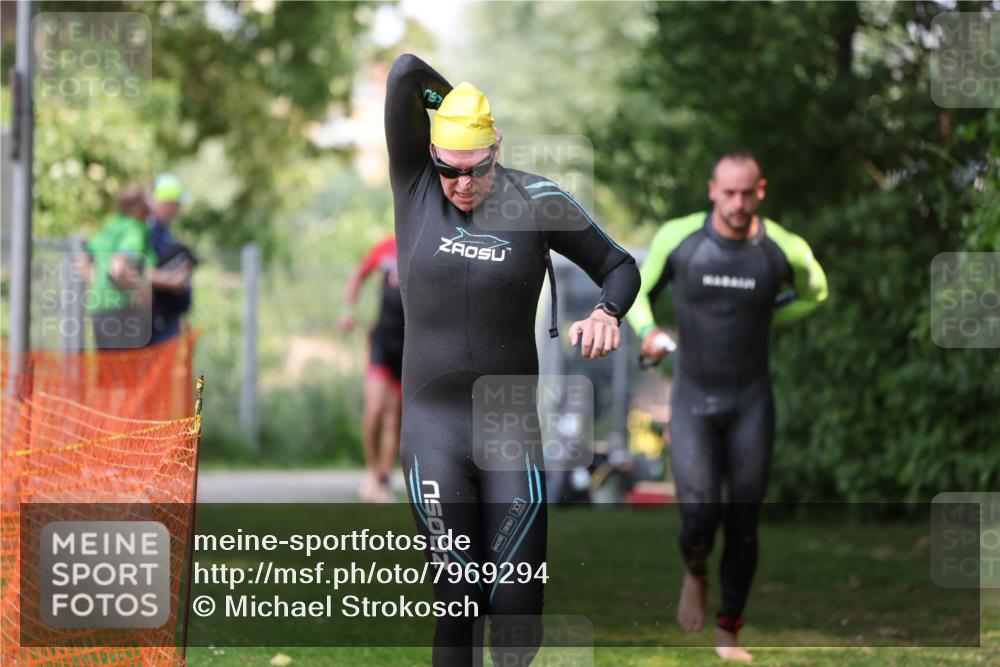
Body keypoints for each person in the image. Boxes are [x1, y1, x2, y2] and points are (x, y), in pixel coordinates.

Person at [385, 53, 640, 666]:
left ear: (496, 147)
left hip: (508, 428)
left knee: (518, 609)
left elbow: (619, 266)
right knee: (460, 598)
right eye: (449, 170)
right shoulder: (415, 187)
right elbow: (404, 74)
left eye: (475, 168)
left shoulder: (536, 200)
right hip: (434, 426)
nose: (461, 184)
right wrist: (452, 107)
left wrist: (607, 314)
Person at [626, 150, 829, 663]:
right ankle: (695, 572)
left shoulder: (784, 248)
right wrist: (648, 331)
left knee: (743, 522)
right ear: (712, 191)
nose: (737, 203)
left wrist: (769, 317)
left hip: (751, 404)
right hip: (692, 400)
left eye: (746, 193)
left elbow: (816, 293)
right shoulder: (681, 239)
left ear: (760, 191)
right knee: (698, 516)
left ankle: (728, 630)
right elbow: (635, 292)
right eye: (728, 193)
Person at [338, 236, 405, 503]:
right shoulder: (386, 247)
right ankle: (372, 472)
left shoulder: (428, 241)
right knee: (375, 409)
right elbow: (358, 275)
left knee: (393, 418)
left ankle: (383, 481)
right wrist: (347, 310)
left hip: (409, 344)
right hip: (382, 341)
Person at [86, 186, 157, 349]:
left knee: (107, 364)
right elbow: (119, 267)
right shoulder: (134, 229)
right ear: (139, 209)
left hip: (99, 309)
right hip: (124, 311)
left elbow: (84, 261)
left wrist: (96, 284)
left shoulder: (109, 227)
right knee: (129, 364)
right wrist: (141, 291)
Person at [147, 174, 196, 345]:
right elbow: (140, 270)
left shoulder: (164, 232)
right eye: (176, 204)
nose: (178, 210)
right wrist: (172, 281)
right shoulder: (148, 232)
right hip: (155, 322)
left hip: (168, 320)